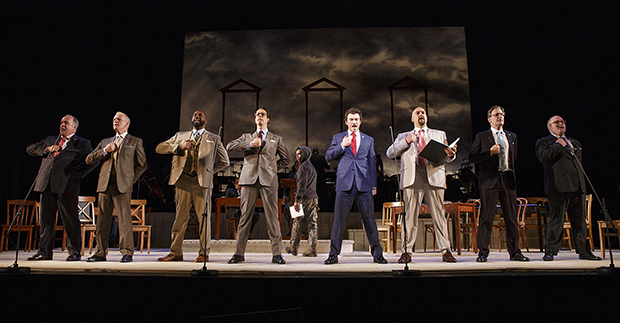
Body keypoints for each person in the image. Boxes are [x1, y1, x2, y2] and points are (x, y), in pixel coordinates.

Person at [155, 110, 229, 262]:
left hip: (201, 183)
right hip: (182, 180)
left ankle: (203, 253)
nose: (197, 117)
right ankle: (175, 252)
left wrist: (209, 172)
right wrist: (178, 147)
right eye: (195, 115)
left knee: (204, 218)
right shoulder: (179, 136)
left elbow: (225, 161)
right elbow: (160, 148)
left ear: (205, 120)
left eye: (200, 115)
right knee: (180, 218)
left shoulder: (213, 138)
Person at [386, 107, 458, 263]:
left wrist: (451, 155)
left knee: (439, 214)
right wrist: (406, 141)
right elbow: (390, 153)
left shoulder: (440, 134)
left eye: (423, 112)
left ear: (426, 117)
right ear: (412, 119)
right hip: (413, 176)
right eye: (417, 113)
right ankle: (406, 251)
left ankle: (446, 250)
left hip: (433, 174)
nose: (421, 114)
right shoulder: (403, 136)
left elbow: (446, 157)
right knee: (410, 216)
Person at [26, 115, 98, 261]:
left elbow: (93, 161)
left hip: (67, 186)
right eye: (61, 122)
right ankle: (44, 252)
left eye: (66, 122)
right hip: (46, 184)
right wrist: (47, 149)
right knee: (46, 220)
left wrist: (77, 175)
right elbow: (30, 148)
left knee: (70, 219)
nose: (62, 125)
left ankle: (74, 252)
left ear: (74, 127)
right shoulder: (51, 139)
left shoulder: (82, 143)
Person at [225, 107, 290, 264]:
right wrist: (249, 144)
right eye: (257, 115)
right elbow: (229, 146)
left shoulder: (276, 138)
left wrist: (272, 169)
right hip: (249, 180)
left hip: (269, 180)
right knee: (245, 217)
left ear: (267, 119)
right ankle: (239, 254)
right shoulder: (247, 137)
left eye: (263, 115)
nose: (260, 117)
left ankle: (276, 254)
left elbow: (286, 159)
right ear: (255, 119)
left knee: (273, 218)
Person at [324, 107, 388, 264]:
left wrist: (374, 185)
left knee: (370, 220)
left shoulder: (368, 139)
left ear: (360, 121)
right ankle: (333, 254)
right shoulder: (338, 137)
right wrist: (342, 146)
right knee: (339, 221)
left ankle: (377, 254)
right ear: (346, 122)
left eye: (356, 119)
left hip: (364, 185)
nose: (354, 122)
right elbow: (328, 156)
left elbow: (372, 163)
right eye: (351, 119)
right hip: (344, 185)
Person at [536, 115, 601, 261]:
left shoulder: (574, 142)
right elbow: (543, 158)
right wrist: (558, 145)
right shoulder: (544, 142)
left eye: (562, 122)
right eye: (556, 122)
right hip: (557, 187)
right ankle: (550, 251)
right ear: (549, 127)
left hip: (577, 186)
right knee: (556, 220)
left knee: (579, 222)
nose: (560, 124)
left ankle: (584, 251)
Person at [469, 106, 529, 262]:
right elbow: (472, 157)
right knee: (486, 218)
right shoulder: (482, 136)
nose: (500, 117)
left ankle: (515, 252)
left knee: (511, 218)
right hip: (489, 181)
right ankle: (482, 252)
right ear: (490, 119)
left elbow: (513, 158)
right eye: (496, 115)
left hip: (507, 180)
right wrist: (489, 152)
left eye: (501, 114)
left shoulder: (511, 136)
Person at [85, 112, 147, 263]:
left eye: (118, 119)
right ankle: (100, 252)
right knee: (102, 220)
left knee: (124, 219)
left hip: (122, 185)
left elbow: (142, 164)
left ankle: (127, 252)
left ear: (126, 124)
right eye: (113, 119)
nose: (115, 121)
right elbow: (89, 159)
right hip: (105, 184)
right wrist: (105, 150)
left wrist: (129, 180)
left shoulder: (135, 141)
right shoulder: (105, 141)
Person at [287, 146, 319, 257]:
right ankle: (312, 249)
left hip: (305, 199)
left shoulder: (303, 167)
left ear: (305, 154)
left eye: (300, 154)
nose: (298, 156)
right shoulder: (311, 167)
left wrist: (297, 200)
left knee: (297, 223)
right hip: (313, 198)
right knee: (312, 225)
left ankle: (293, 248)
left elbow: (301, 185)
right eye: (296, 154)